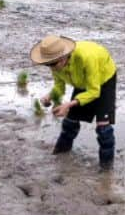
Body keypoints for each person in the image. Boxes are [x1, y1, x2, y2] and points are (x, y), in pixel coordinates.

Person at [30, 35, 117, 170]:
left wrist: (69, 105)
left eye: (53, 64)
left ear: (64, 56)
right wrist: (49, 97)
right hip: (83, 80)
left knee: (103, 128)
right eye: (48, 64)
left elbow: (94, 92)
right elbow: (60, 87)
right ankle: (61, 154)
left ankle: (106, 169)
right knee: (70, 121)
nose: (52, 68)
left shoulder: (86, 58)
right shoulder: (55, 64)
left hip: (104, 78)